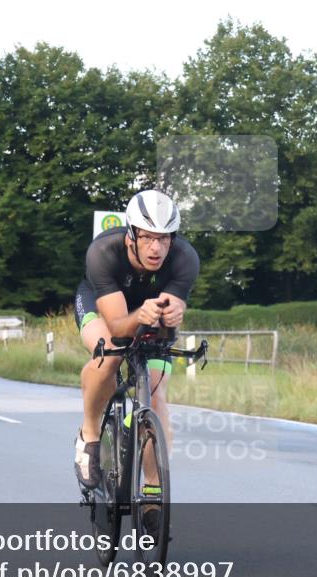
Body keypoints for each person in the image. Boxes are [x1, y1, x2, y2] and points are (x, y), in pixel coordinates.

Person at [72, 190, 199, 534]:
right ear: (132, 234)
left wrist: (173, 316)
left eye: (164, 238)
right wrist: (138, 315)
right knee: (109, 355)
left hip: (148, 311)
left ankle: (153, 493)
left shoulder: (185, 258)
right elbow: (117, 327)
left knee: (157, 396)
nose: (156, 248)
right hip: (103, 305)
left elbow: (167, 326)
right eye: (147, 238)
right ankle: (89, 433)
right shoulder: (103, 251)